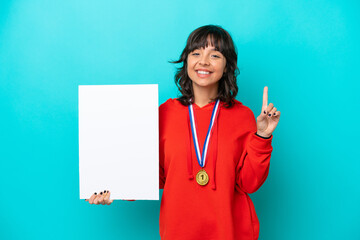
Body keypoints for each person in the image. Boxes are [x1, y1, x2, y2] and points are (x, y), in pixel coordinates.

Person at [86, 24, 281, 240]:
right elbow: (152, 176)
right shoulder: (164, 113)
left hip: (231, 232)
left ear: (227, 66)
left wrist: (262, 136)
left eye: (214, 55)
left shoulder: (243, 116)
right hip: (179, 232)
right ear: (186, 60)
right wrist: (112, 186)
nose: (203, 61)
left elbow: (249, 183)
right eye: (196, 53)